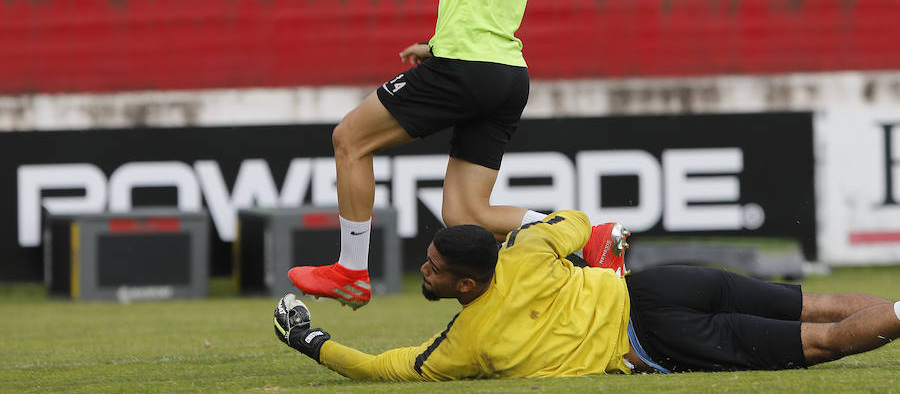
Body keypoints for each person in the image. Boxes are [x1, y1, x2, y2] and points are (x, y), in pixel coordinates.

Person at [288, 0, 623, 310]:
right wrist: (436, 43)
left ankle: (351, 271)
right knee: (467, 214)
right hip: (503, 74)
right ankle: (591, 237)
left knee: (349, 140)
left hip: (468, 68)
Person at [274, 210, 900, 380]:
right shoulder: (525, 248)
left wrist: (311, 341)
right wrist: (561, 240)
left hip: (653, 339)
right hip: (657, 283)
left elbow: (383, 368)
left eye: (434, 268)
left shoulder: (470, 341)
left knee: (819, 342)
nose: (423, 270)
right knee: (811, 304)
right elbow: (577, 221)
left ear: (467, 284)